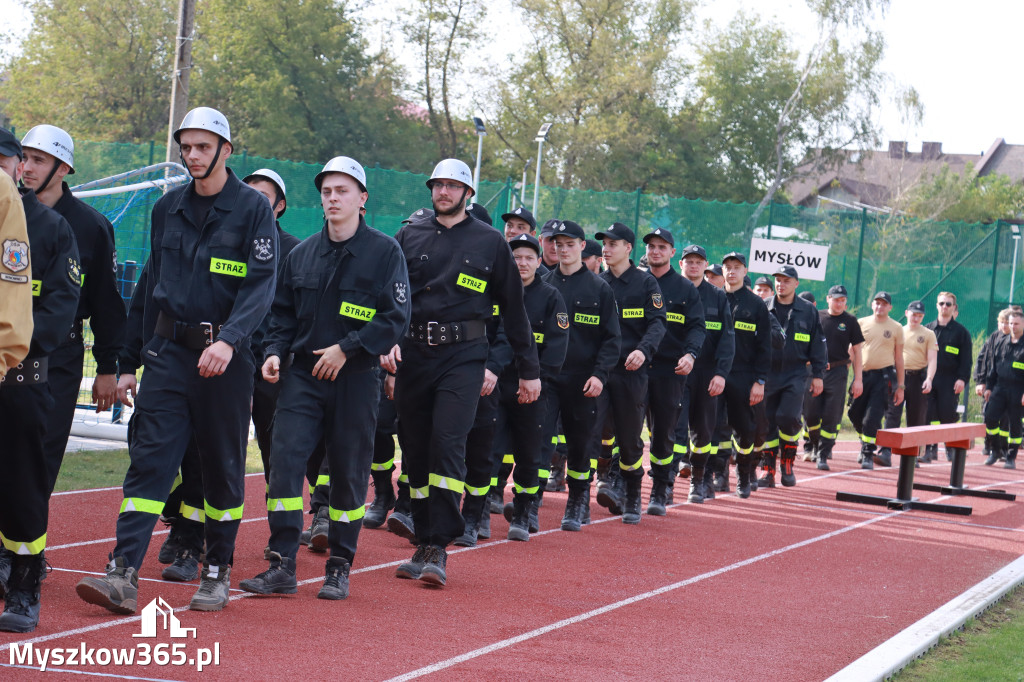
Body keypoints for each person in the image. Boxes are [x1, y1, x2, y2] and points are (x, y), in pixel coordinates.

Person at [76, 107, 278, 613]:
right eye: (185, 147)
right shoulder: (166, 209)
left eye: (202, 147)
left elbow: (261, 287)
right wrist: (127, 360)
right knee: (149, 466)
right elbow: (149, 288)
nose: (191, 156)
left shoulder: (253, 209)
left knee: (221, 470)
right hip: (167, 358)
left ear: (225, 151)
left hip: (226, 364)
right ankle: (122, 572)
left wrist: (230, 340)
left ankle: (216, 572)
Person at [239, 156, 409, 600]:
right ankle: (282, 564)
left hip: (356, 380)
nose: (333, 199)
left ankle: (339, 565)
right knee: (285, 464)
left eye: (343, 191)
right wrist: (274, 352)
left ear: (362, 199)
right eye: (327, 192)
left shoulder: (385, 252)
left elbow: (395, 319)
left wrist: (347, 347)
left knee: (350, 474)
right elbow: (282, 315)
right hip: (303, 380)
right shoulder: (302, 253)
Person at [384, 159, 540, 586]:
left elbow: (514, 311)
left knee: (447, 442)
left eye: (454, 186)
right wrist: (388, 343)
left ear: (468, 193)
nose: (444, 192)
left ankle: (439, 544)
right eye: (439, 185)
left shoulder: (490, 242)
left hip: (464, 356)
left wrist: (529, 370)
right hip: (414, 354)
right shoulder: (409, 235)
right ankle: (421, 532)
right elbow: (392, 299)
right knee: (413, 449)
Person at [0, 139, 80, 632]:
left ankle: (26, 586)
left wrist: (15, 352)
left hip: (20, 377)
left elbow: (59, 306)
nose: (16, 168)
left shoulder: (50, 228)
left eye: (11, 161)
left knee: (23, 486)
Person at [19, 125, 126, 492]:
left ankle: (22, 549)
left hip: (59, 355)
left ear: (62, 168)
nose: (27, 167)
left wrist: (108, 368)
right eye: (24, 158)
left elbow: (107, 303)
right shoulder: (8, 214)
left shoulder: (91, 225)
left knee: (42, 453)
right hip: (7, 348)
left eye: (38, 159)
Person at [543, 219, 620, 530]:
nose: (562, 250)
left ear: (582, 246)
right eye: (558, 244)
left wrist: (600, 375)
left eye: (569, 244)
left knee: (579, 444)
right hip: (546, 379)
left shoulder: (600, 288)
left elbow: (612, 339)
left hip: (583, 381)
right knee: (539, 441)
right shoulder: (544, 283)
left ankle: (577, 502)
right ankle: (529, 502)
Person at [591, 222, 665, 525]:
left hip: (632, 372)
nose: (606, 250)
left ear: (628, 248)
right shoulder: (597, 282)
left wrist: (643, 350)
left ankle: (632, 492)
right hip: (601, 371)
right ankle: (600, 485)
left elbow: (658, 322)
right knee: (595, 431)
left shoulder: (646, 284)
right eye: (604, 244)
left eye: (613, 244)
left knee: (629, 436)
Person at [495, 233, 568, 537]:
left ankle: (524, 513)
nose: (521, 263)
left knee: (529, 453)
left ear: (539, 262)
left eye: (528, 258)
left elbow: (556, 346)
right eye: (515, 257)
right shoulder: (496, 292)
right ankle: (476, 514)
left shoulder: (551, 297)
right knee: (490, 450)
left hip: (534, 390)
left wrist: (538, 381)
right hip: (497, 386)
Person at [642, 228, 704, 514]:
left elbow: (696, 327)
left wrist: (691, 355)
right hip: (634, 368)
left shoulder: (685, 289)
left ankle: (661, 487)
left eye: (661, 247)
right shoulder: (636, 283)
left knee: (663, 432)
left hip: (669, 372)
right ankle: (620, 481)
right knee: (626, 430)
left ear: (672, 253)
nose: (655, 251)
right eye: (651, 247)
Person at [674, 244, 734, 502]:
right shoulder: (670, 290)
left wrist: (721, 373)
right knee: (674, 428)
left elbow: (727, 339)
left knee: (703, 430)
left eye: (699, 262)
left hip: (707, 374)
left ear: (706, 266)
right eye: (689, 261)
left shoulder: (718, 296)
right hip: (675, 372)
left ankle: (698, 480)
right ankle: (665, 482)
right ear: (681, 264)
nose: (694, 266)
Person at [760, 265, 826, 487]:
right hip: (767, 374)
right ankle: (768, 470)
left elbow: (818, 344)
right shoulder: (764, 307)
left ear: (796, 284)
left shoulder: (808, 310)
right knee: (765, 421)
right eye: (778, 280)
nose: (781, 284)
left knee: (788, 417)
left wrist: (818, 375)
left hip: (796, 374)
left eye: (786, 280)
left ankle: (787, 462)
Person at [721, 252, 773, 497]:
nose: (732, 271)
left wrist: (759, 381)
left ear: (745, 271)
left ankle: (743, 475)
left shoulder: (756, 305)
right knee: (714, 428)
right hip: (716, 375)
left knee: (745, 429)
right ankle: (717, 475)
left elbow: (765, 346)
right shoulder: (715, 298)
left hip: (744, 376)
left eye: (737, 267)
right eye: (728, 267)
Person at [803, 285, 864, 470]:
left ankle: (823, 454)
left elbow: (857, 351)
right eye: (836, 299)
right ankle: (813, 444)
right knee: (810, 413)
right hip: (814, 371)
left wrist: (858, 379)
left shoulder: (851, 321)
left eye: (842, 300)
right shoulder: (817, 317)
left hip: (838, 373)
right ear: (828, 299)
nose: (839, 303)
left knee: (832, 415)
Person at [849, 292, 905, 469]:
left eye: (884, 304)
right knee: (854, 414)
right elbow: (852, 351)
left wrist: (901, 386)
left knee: (872, 418)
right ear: (872, 305)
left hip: (883, 378)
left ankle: (867, 453)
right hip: (862, 376)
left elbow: (899, 358)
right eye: (877, 303)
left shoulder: (896, 328)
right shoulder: (861, 323)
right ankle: (864, 439)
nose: (880, 307)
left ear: (890, 307)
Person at [923, 291, 973, 462]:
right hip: (930, 378)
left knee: (947, 415)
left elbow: (966, 360)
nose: (944, 307)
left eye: (948, 304)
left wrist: (962, 379)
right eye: (942, 303)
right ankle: (929, 449)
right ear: (937, 306)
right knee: (928, 414)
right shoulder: (928, 329)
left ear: (954, 308)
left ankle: (949, 447)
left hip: (950, 380)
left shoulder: (962, 333)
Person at [981, 309, 1024, 470]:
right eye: (1010, 323)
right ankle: (996, 450)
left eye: (1016, 323)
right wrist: (989, 387)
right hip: (999, 387)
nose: (1012, 326)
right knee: (990, 417)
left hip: (1018, 390)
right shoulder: (1001, 342)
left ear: (1023, 324)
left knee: (1015, 424)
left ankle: (1011, 457)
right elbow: (993, 367)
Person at [976, 308, 1015, 465]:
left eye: (1008, 323)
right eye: (1002, 322)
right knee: (989, 416)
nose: (1004, 326)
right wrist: (981, 381)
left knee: (1007, 421)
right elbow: (984, 360)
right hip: (993, 384)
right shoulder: (993, 337)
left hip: (1012, 387)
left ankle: (1006, 452)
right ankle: (994, 448)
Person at [898, 301, 938, 438]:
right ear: (906, 313)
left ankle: (913, 455)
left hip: (917, 378)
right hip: (898, 377)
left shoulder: (928, 334)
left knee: (916, 419)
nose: (915, 318)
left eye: (919, 316)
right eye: (913, 314)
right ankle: (886, 452)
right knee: (892, 415)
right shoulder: (898, 331)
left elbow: (932, 359)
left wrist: (929, 378)